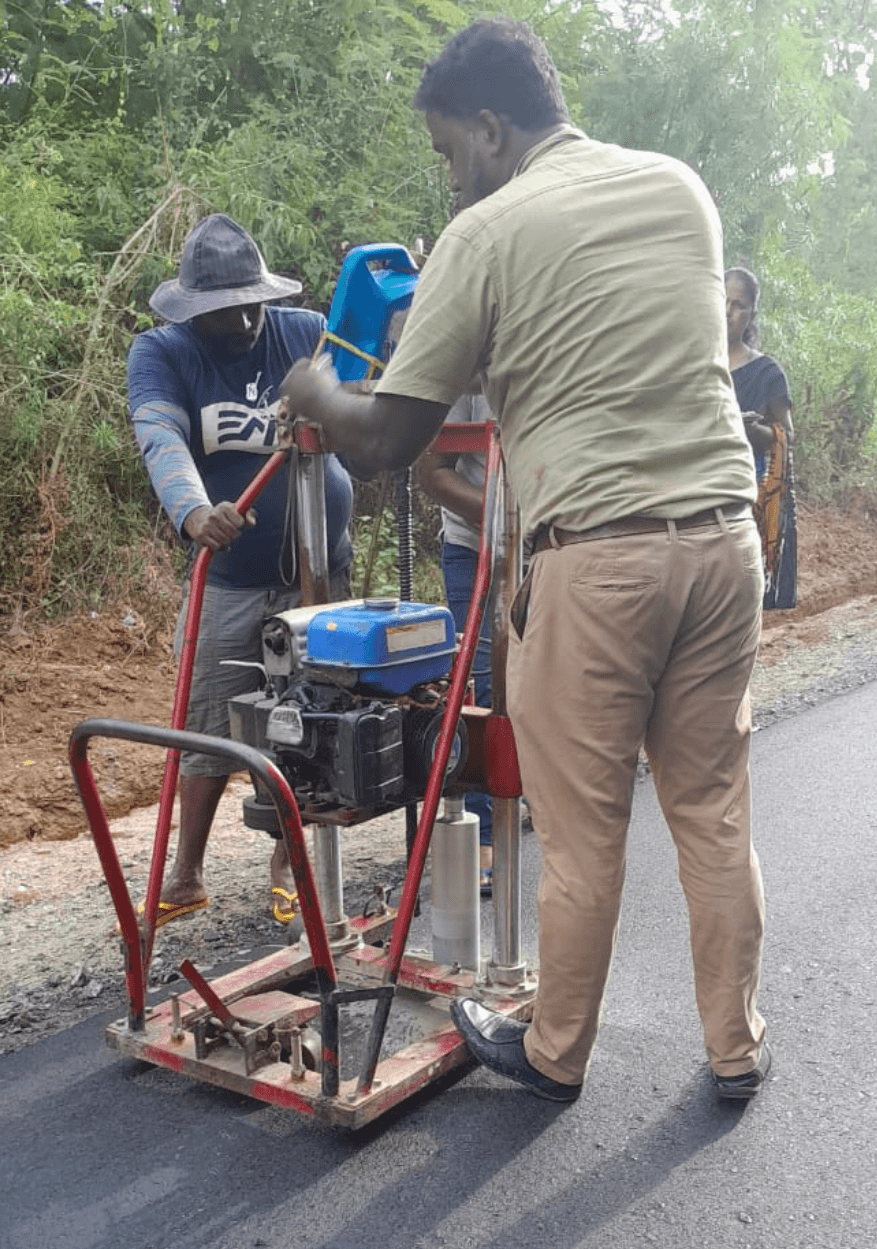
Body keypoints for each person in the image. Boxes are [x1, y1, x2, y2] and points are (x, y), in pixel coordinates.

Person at [281, 19, 769, 1104]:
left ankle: (555, 1053)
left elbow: (389, 436)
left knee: (585, 834)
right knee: (713, 811)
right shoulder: (679, 188)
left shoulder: (489, 230)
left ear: (493, 128)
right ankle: (736, 1048)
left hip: (598, 562)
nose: (453, 180)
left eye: (452, 152)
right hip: (723, 543)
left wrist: (314, 389)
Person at [127, 213, 353, 928]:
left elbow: (362, 401)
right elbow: (160, 435)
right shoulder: (163, 352)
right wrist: (195, 511)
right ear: (195, 310)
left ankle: (288, 863)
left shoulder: (305, 332)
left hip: (319, 574)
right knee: (206, 724)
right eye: (228, 310)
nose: (248, 319)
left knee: (310, 722)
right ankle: (187, 873)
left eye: (255, 302)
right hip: (228, 578)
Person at [417, 391, 496, 895]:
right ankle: (481, 831)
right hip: (475, 541)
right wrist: (503, 516)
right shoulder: (470, 371)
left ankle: (541, 798)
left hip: (558, 538)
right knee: (478, 684)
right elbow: (433, 471)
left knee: (555, 680)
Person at [726, 266, 798, 609]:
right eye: (722, 301)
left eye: (738, 305)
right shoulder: (693, 363)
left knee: (741, 598)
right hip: (693, 496)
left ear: (752, 313)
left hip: (745, 502)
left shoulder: (767, 373)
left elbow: (787, 435)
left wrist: (754, 431)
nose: (728, 312)